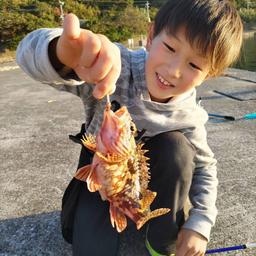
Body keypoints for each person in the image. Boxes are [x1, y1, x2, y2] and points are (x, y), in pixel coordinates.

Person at [16, 0, 243, 255]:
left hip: (146, 182)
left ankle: (160, 238)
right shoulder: (111, 66)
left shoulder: (190, 116)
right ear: (150, 36)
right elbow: (26, 57)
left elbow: (204, 167)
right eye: (169, 47)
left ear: (209, 75)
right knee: (86, 246)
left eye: (194, 65)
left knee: (178, 150)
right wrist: (60, 54)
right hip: (98, 173)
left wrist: (200, 223)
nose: (173, 70)